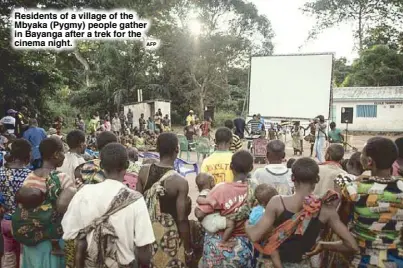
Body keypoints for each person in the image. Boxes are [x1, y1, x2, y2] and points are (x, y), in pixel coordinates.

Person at [246, 157, 359, 268]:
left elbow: (254, 235)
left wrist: (247, 223)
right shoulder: (326, 210)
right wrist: (323, 245)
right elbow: (352, 245)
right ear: (317, 179)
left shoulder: (277, 202)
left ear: (292, 178)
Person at [62, 143, 155, 267]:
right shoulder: (135, 200)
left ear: (100, 166)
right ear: (127, 165)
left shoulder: (83, 193)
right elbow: (143, 247)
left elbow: (69, 233)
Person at [334, 137, 403, 267]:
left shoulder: (354, 189)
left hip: (363, 261)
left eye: (362, 153)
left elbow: (341, 222)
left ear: (369, 161)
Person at [12, 137, 75, 268]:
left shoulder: (30, 177)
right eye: (63, 152)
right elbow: (69, 209)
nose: (64, 156)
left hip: (31, 239)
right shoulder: (62, 178)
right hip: (52, 242)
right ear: (56, 154)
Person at [136, 133, 192, 267]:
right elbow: (182, 219)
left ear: (157, 149)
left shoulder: (143, 171)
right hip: (169, 238)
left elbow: (137, 205)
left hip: (145, 234)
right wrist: (188, 250)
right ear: (177, 150)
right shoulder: (180, 182)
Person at [195, 150, 256, 267]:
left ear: (231, 167)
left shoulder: (220, 189)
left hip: (218, 247)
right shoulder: (254, 188)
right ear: (251, 168)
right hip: (243, 245)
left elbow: (200, 214)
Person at [0, 139, 32, 268]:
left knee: (8, 255)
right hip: (24, 221)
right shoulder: (29, 175)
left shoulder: (1, 172)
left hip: (6, 221)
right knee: (23, 257)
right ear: (28, 155)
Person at [195, 173, 235, 243]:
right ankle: (223, 241)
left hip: (210, 221)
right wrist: (209, 201)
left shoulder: (210, 191)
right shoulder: (206, 192)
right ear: (211, 182)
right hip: (212, 221)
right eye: (213, 180)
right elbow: (199, 199)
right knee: (231, 224)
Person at [248, 184, 281, 268]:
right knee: (274, 252)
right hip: (264, 238)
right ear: (265, 203)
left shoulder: (255, 209)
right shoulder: (264, 212)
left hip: (256, 240)